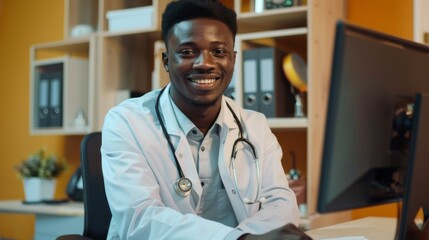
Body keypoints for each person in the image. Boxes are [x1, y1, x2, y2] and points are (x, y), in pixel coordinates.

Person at [101, 0, 312, 239]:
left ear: (232, 59)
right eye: (187, 52)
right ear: (166, 61)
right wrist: (240, 239)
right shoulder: (126, 122)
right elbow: (139, 219)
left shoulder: (255, 125)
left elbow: (281, 203)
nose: (205, 64)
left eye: (218, 52)